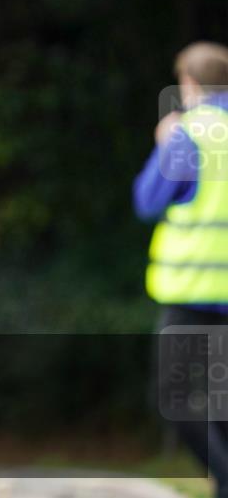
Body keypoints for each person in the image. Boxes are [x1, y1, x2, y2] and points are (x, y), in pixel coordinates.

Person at [133, 41, 228, 498]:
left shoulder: (188, 134)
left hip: (192, 296)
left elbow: (148, 201)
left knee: (176, 401)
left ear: (188, 83)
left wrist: (163, 142)